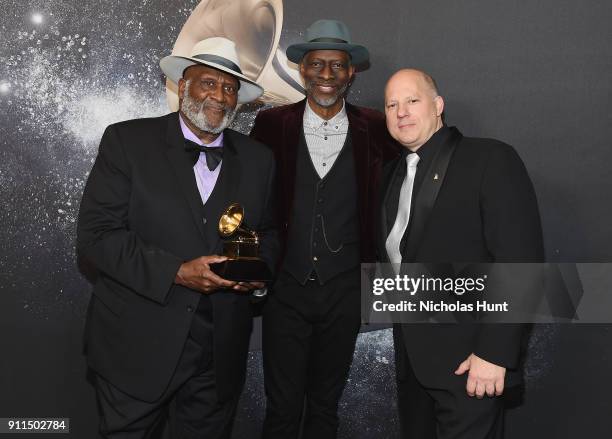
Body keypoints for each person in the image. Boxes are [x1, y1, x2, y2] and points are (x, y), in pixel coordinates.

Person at [77, 37, 278, 438]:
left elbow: (268, 234)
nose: (219, 95)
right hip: (135, 347)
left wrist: (257, 276)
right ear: (183, 86)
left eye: (229, 87)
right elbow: (97, 238)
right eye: (208, 82)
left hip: (218, 356)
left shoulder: (259, 159)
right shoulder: (127, 142)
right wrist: (177, 272)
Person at [250, 19, 398, 439]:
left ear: (352, 72)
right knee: (281, 409)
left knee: (325, 408)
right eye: (317, 64)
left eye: (337, 65)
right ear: (303, 70)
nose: (327, 75)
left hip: (345, 291)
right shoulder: (271, 125)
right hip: (285, 290)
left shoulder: (376, 127)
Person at [380, 69, 544, 439]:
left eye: (412, 100)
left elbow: (521, 263)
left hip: (473, 366)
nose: (401, 111)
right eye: (391, 104)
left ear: (438, 106)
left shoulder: (490, 159)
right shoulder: (389, 174)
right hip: (414, 371)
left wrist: (495, 354)